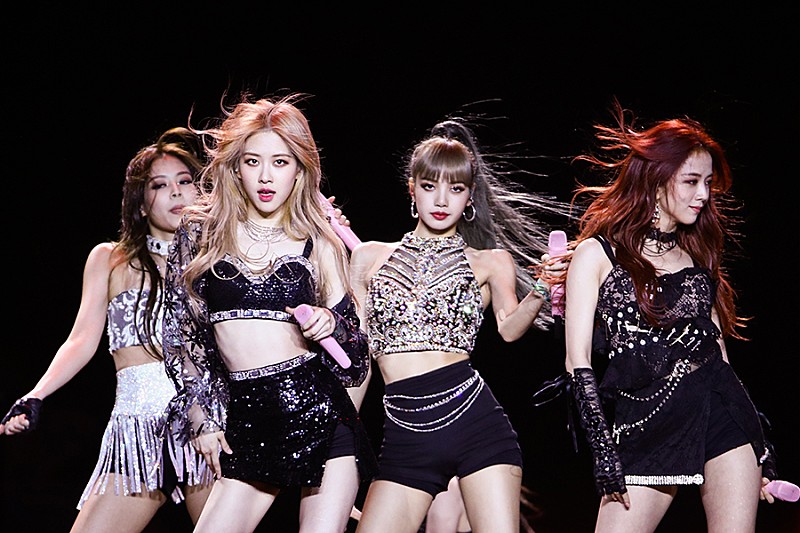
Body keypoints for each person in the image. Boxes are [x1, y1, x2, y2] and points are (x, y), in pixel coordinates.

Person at [162, 92, 377, 533]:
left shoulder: (318, 240)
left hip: (322, 415)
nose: (265, 176)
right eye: (252, 161)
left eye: (280, 162)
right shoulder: (200, 232)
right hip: (249, 423)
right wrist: (201, 417)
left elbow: (356, 359)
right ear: (235, 167)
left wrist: (333, 324)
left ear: (299, 169)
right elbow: (181, 334)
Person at [562, 104, 777, 532]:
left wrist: (762, 446)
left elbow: (718, 357)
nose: (703, 195)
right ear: (657, 180)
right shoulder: (597, 254)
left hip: (720, 414)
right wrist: (603, 452)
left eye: (708, 183)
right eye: (691, 181)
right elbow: (576, 361)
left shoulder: (697, 257)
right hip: (647, 424)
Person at [350, 118, 568, 533]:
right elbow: (356, 357)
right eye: (429, 185)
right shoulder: (368, 257)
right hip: (405, 437)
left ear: (469, 196)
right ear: (411, 189)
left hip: (476, 426)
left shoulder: (490, 262)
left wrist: (542, 286)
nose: (441, 200)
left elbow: (509, 330)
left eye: (455, 188)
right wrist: (342, 433)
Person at [0, 127, 214, 530]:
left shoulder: (216, 263)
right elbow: (81, 339)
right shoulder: (110, 259)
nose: (176, 192)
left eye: (185, 182)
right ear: (141, 205)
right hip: (135, 431)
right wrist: (35, 395)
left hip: (207, 422)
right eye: (159, 185)